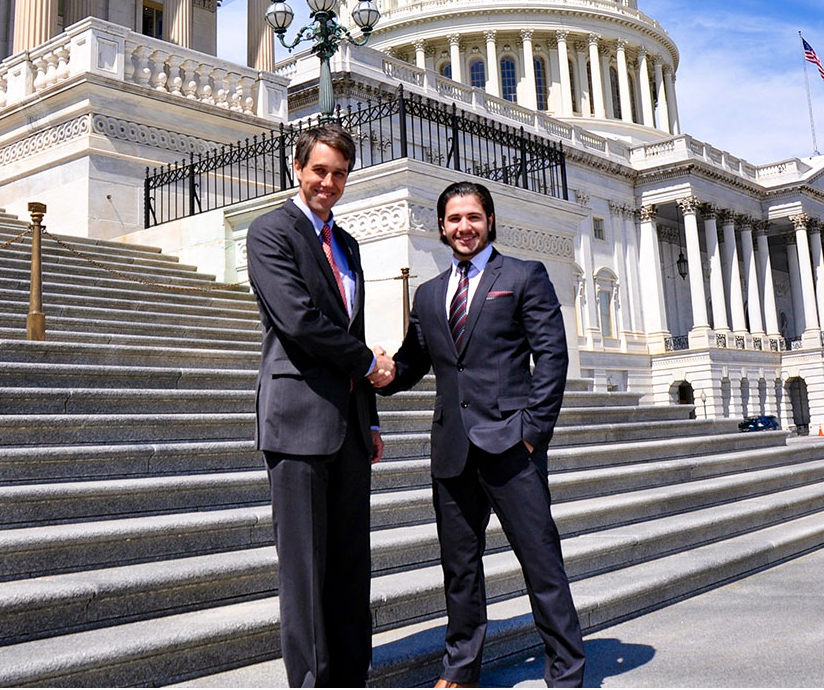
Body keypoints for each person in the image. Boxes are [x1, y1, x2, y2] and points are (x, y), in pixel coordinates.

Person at [374, 181, 585, 688]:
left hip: (512, 446)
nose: (463, 227)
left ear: (489, 220)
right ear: (442, 227)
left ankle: (567, 672)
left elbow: (552, 356)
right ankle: (461, 668)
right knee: (460, 568)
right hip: (452, 451)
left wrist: (533, 432)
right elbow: (410, 364)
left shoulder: (523, 275)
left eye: (473, 217)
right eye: (453, 219)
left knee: (541, 562)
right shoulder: (428, 294)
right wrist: (378, 370)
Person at [247, 124, 394, 688]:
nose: (328, 183)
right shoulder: (271, 233)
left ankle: (352, 676)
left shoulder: (349, 243)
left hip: (349, 427)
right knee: (305, 572)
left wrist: (371, 415)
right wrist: (367, 363)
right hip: (297, 421)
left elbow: (350, 322)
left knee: (352, 566)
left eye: (338, 173)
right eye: (319, 171)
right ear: (296, 168)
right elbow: (299, 320)